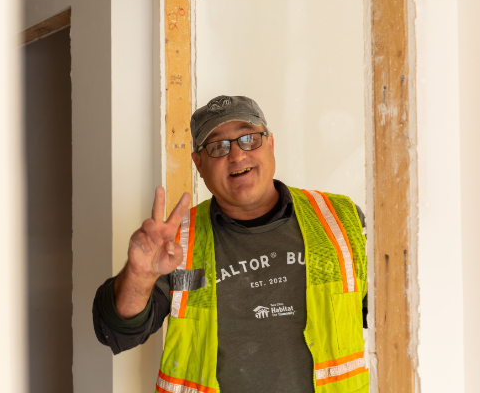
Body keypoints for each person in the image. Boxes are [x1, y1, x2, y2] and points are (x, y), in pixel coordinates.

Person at [93, 95, 369, 393]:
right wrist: (139, 275)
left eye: (249, 138)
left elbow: (389, 312)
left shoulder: (339, 219)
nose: (237, 156)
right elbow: (119, 332)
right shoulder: (179, 244)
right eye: (217, 147)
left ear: (271, 144)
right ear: (198, 164)